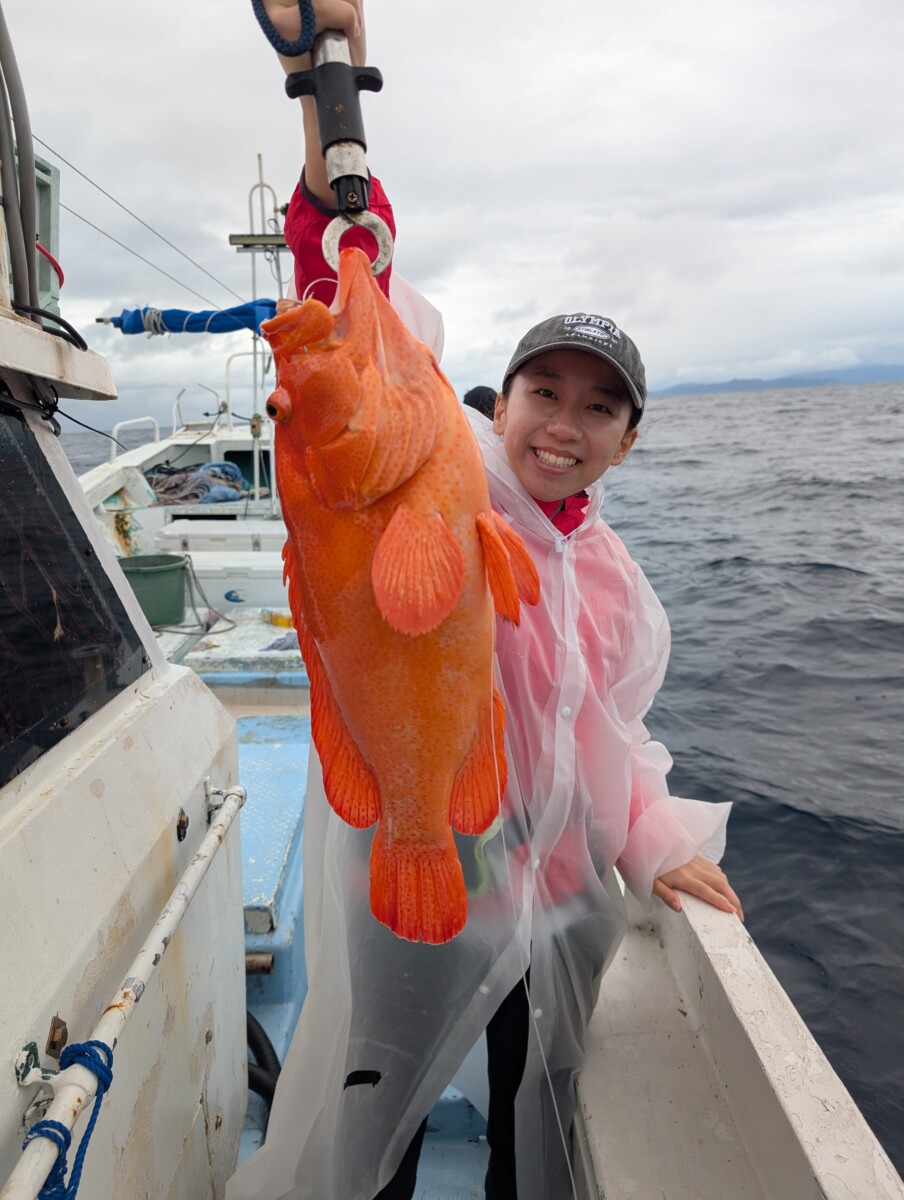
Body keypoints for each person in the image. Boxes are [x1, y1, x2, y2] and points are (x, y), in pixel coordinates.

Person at [228, 4, 743, 1199]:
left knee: (534, 1101)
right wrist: (324, 79)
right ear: (495, 400)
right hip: (429, 863)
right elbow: (346, 267)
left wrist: (657, 842)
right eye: (542, 391)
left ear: (627, 439)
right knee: (387, 1105)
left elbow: (613, 737)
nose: (562, 427)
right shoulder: (451, 470)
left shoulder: (620, 589)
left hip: (549, 893)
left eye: (597, 409)